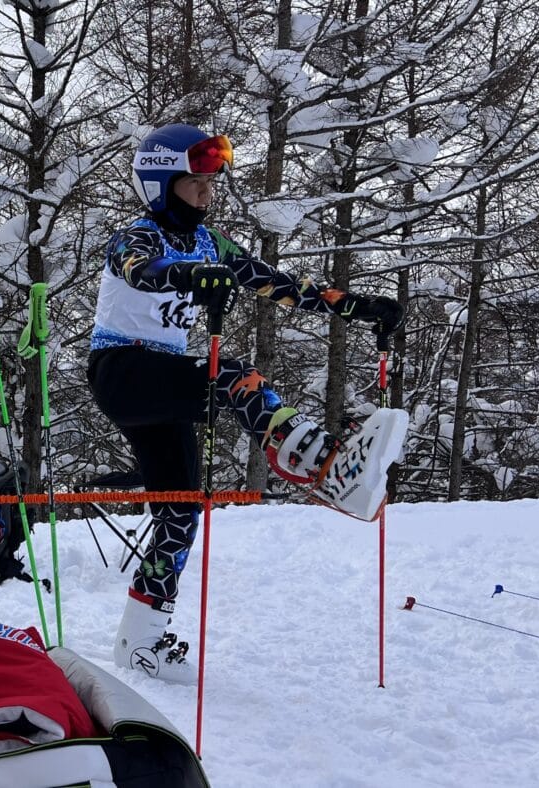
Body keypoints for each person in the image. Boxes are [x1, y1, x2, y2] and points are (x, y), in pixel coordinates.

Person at [87, 124, 407, 681]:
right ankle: (325, 466)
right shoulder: (134, 237)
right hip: (123, 369)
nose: (207, 193)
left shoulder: (214, 245)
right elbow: (143, 269)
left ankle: (140, 641)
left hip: (167, 383)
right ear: (162, 184)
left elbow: (283, 286)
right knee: (236, 376)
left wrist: (358, 307)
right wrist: (190, 274)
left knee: (180, 510)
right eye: (194, 183)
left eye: (212, 182)